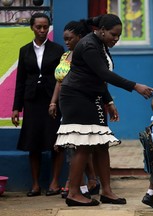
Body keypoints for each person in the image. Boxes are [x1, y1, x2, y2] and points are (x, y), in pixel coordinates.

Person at [54, 14, 153, 207]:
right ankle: (74, 193)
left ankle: (107, 191)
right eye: (113, 34)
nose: (116, 39)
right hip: (76, 97)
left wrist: (108, 102)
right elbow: (103, 74)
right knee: (83, 145)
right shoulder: (89, 45)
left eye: (119, 36)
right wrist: (135, 86)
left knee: (101, 144)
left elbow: (98, 79)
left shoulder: (100, 44)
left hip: (92, 97)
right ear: (101, 30)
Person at [11, 13, 65, 197]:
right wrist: (16, 107)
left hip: (53, 101)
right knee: (33, 142)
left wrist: (58, 102)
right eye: (38, 27)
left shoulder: (58, 50)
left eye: (45, 27)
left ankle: (54, 182)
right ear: (32, 28)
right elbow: (20, 80)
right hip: (32, 101)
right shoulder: (24, 50)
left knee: (55, 142)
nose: (42, 30)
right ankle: (35, 185)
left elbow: (63, 77)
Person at [48, 20, 100, 199]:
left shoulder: (85, 56)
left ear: (80, 37)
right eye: (64, 39)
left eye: (69, 38)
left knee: (75, 144)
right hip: (64, 104)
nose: (67, 42)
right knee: (74, 144)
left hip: (78, 103)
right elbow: (59, 81)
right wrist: (53, 102)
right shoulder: (64, 56)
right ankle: (90, 181)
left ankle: (76, 183)